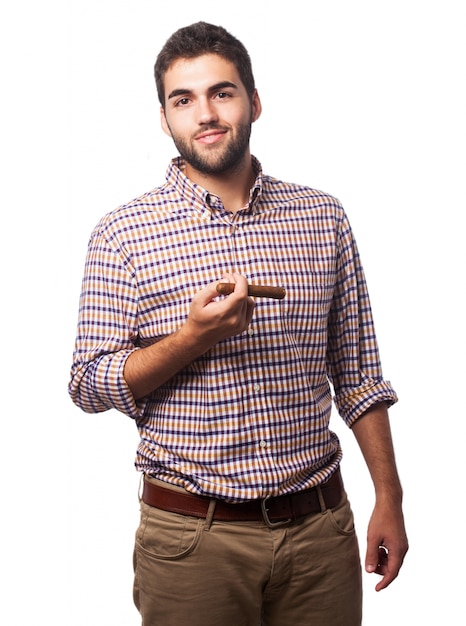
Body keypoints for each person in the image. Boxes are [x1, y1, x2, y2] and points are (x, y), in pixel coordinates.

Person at [69, 21, 408, 626]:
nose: (205, 113)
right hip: (193, 542)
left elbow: (358, 374)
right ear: (165, 118)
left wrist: (390, 496)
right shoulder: (122, 234)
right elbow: (88, 384)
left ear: (253, 101)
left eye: (221, 93)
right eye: (184, 99)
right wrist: (192, 339)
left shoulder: (322, 218)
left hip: (320, 532)